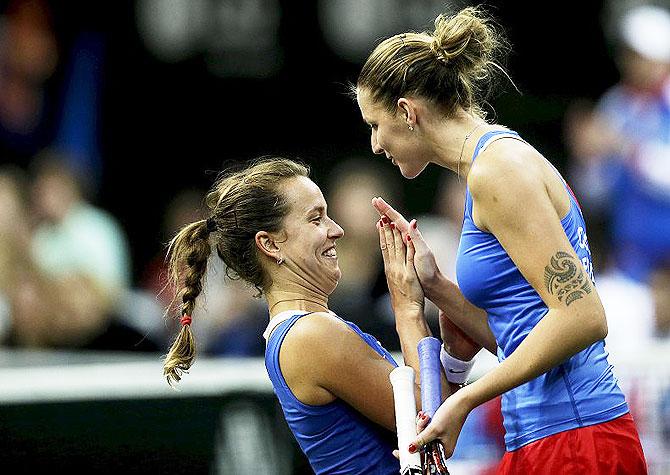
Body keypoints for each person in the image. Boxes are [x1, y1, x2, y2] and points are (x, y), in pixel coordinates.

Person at [354, 6, 647, 474]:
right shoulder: (486, 170)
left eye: (374, 124)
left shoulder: (498, 170)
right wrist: (436, 287)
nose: (375, 144)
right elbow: (525, 336)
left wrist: (464, 400)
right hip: (547, 436)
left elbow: (584, 317)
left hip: (576, 439)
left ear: (408, 112)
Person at [161, 157, 475, 474]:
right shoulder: (312, 336)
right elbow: (436, 433)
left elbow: (434, 421)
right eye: (316, 219)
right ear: (270, 244)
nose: (337, 230)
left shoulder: (307, 331)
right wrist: (408, 310)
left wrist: (454, 360)